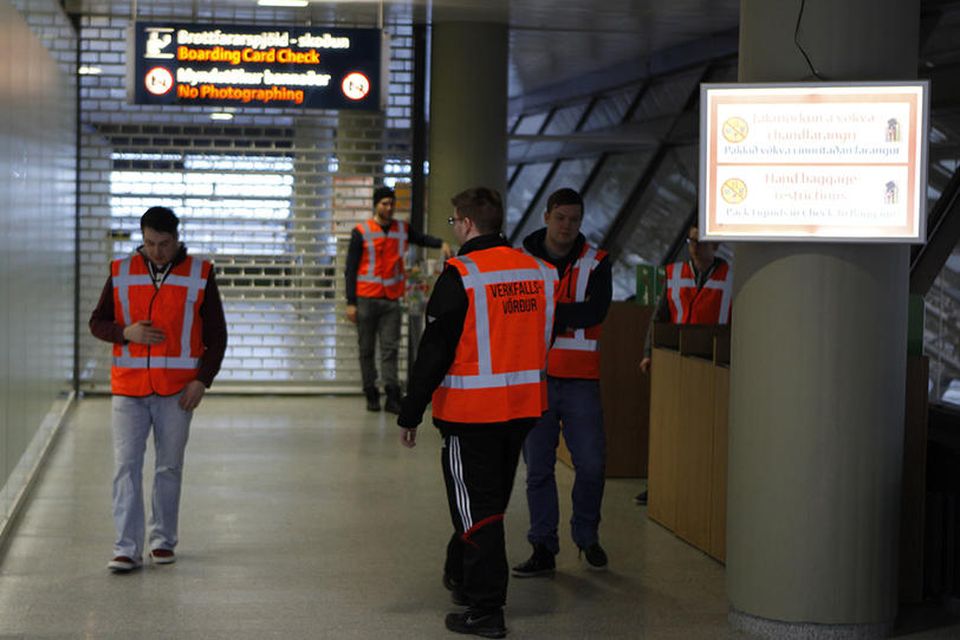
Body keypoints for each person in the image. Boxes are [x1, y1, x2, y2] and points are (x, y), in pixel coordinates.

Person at [397, 187, 557, 638]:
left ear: (466, 223)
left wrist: (411, 411)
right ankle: (461, 574)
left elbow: (435, 352)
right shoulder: (540, 272)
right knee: (489, 501)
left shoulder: (461, 274)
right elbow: (543, 336)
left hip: (472, 414)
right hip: (523, 409)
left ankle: (486, 608)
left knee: (476, 509)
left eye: (454, 222)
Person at [89, 206, 227, 572]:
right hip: (129, 389)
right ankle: (126, 548)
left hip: (177, 391)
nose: (157, 251)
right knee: (125, 468)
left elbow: (217, 335)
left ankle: (162, 541)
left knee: (168, 467)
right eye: (149, 243)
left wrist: (202, 380)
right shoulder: (121, 271)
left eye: (164, 244)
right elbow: (97, 322)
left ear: (177, 239)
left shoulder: (200, 273)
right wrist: (124, 333)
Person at [512, 188, 613, 577]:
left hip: (581, 381)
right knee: (538, 468)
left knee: (590, 465)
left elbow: (596, 310)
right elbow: (519, 313)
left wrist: (548, 311)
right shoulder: (522, 262)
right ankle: (543, 546)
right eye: (560, 218)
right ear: (546, 217)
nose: (567, 226)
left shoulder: (597, 262)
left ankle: (586, 535)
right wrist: (567, 313)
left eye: (573, 219)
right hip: (535, 378)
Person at [635, 222, 732, 505]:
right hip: (675, 362)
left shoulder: (731, 278)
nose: (695, 247)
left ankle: (698, 489)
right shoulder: (675, 273)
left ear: (714, 245)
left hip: (710, 365)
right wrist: (648, 352)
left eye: (701, 242)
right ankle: (661, 485)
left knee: (702, 432)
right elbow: (659, 317)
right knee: (669, 429)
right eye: (691, 242)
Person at [345, 186, 452, 414]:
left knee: (390, 349)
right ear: (376, 205)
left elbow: (422, 239)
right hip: (366, 297)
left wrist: (440, 243)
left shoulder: (402, 229)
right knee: (366, 349)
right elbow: (350, 269)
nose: (389, 207)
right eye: (384, 203)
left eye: (391, 203)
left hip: (391, 298)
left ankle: (392, 395)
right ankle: (370, 392)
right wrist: (350, 302)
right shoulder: (361, 231)